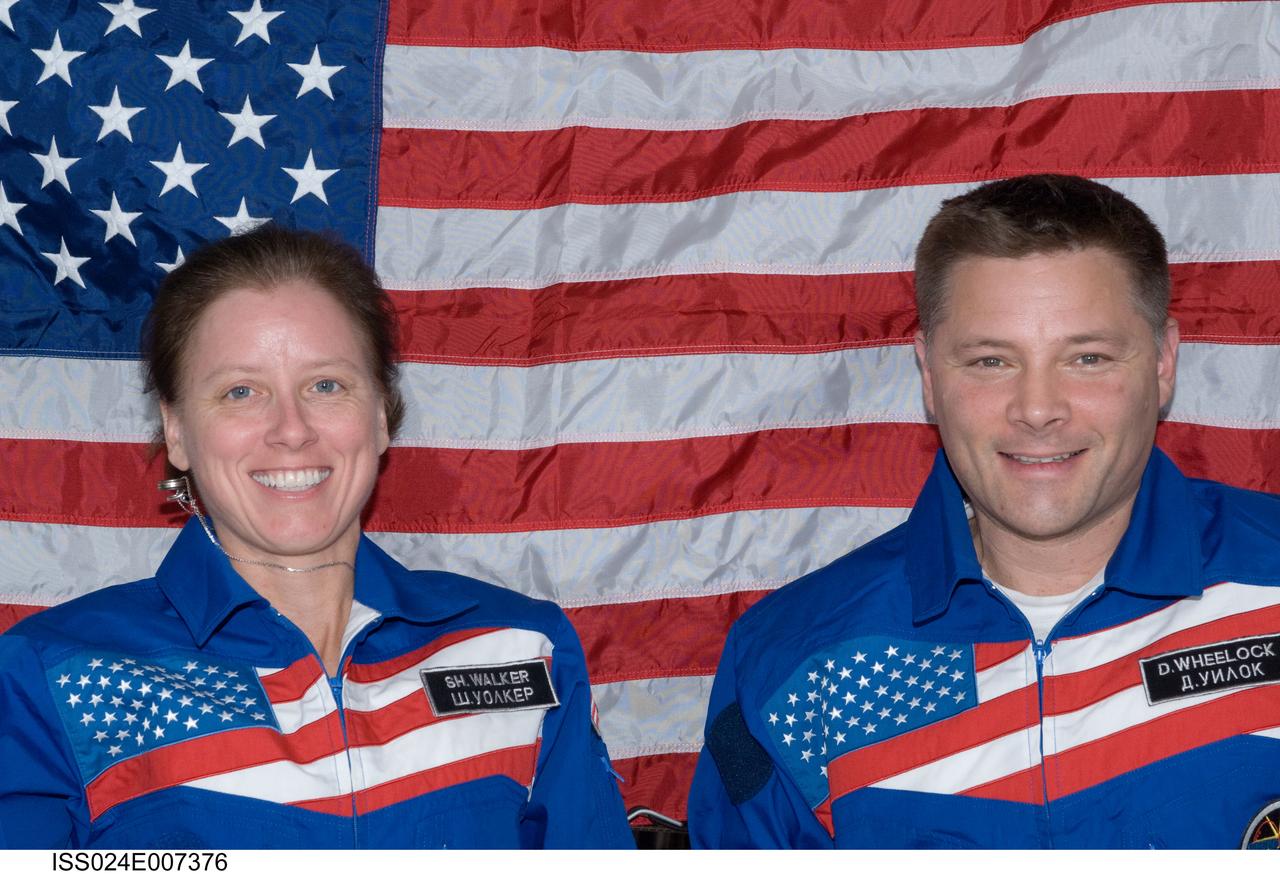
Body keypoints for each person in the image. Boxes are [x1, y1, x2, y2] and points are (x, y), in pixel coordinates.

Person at [687, 174, 1280, 849]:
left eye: (1087, 357)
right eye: (992, 361)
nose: (1038, 409)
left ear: (1164, 363)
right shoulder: (792, 663)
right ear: (930, 375)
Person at [0, 225, 634, 849]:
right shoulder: (49, 675)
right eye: (240, 391)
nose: (292, 429)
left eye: (326, 385)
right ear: (177, 432)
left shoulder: (522, 645)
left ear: (380, 414)